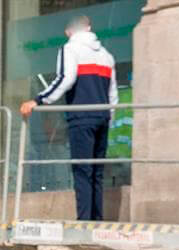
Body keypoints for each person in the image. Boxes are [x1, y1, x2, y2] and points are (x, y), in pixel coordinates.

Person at [20, 15, 118, 221]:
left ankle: (84, 223)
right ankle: (96, 221)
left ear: (68, 32)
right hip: (102, 117)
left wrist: (38, 100)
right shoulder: (107, 55)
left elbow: (66, 78)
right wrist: (109, 116)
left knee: (82, 171)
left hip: (81, 117)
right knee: (97, 172)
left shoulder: (70, 49)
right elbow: (113, 93)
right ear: (89, 28)